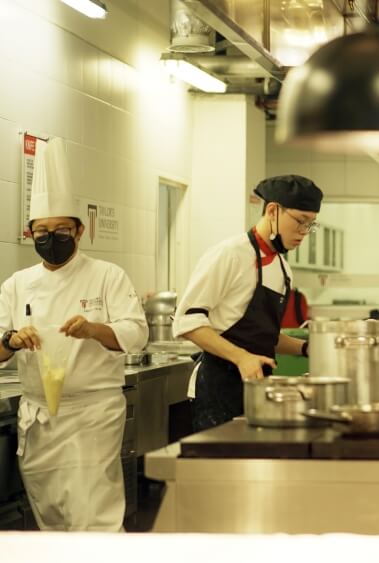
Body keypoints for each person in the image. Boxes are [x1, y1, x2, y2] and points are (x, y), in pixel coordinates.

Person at [0, 137, 148, 530]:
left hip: (91, 413)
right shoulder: (16, 284)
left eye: (62, 230)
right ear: (31, 233)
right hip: (38, 418)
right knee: (48, 513)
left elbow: (136, 333)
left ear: (80, 230)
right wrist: (10, 340)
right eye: (42, 231)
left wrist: (93, 329)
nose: (52, 239)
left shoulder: (106, 276)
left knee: (92, 513)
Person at [174, 175, 322, 431]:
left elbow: (263, 337)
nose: (304, 232)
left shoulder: (283, 268)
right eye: (300, 221)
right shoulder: (230, 254)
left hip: (257, 389)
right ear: (273, 210)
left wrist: (310, 348)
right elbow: (187, 322)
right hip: (217, 389)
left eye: (311, 224)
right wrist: (242, 358)